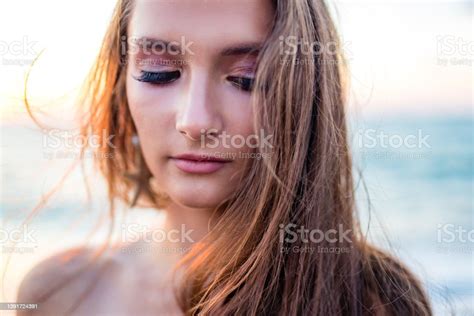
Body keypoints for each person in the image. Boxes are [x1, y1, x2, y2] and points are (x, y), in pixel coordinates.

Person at [17, 0, 432, 315]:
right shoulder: (56, 295)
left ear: (304, 94)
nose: (195, 121)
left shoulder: (376, 301)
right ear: (121, 83)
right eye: (158, 72)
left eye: (246, 79)